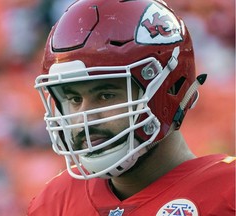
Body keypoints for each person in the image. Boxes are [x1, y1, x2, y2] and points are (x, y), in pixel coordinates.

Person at [28, 0, 235, 215]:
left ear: (169, 88)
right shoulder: (54, 201)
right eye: (73, 99)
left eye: (106, 95)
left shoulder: (227, 194)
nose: (83, 119)